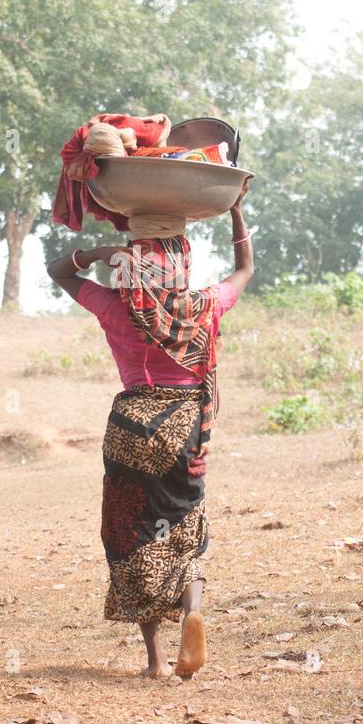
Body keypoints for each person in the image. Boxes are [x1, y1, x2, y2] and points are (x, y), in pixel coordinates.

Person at [47, 181, 253, 679]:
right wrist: (235, 212)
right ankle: (193, 609)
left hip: (129, 429)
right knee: (185, 524)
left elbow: (56, 271)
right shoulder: (203, 306)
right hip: (184, 426)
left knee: (132, 532)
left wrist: (100, 251)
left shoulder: (116, 307)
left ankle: (155, 659)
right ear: (181, 266)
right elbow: (246, 269)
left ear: (131, 267)